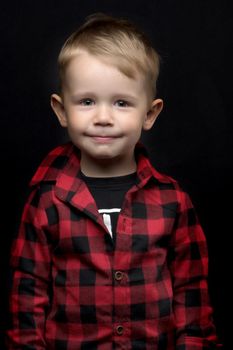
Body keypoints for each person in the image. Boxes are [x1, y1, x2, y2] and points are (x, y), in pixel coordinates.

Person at [6, 13, 222, 349]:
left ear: (149, 114)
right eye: (87, 102)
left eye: (121, 103)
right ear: (62, 111)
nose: (103, 118)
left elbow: (191, 296)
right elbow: (27, 300)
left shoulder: (172, 201)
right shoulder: (47, 200)